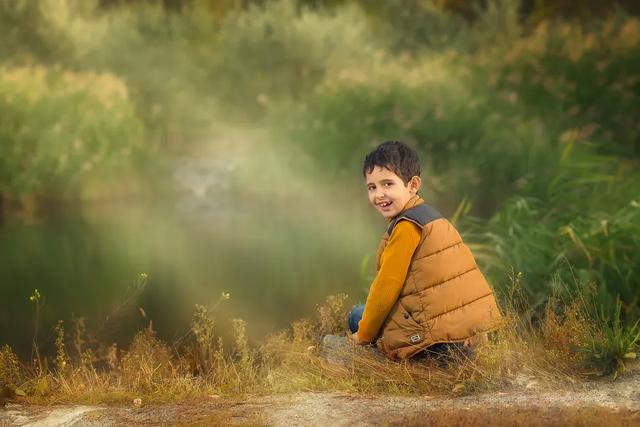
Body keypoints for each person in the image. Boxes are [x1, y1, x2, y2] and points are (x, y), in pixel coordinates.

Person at [348, 141, 502, 360]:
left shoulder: (406, 227)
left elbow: (386, 287)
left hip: (429, 337)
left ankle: (439, 355)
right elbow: (465, 281)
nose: (379, 194)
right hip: (461, 332)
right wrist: (477, 331)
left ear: (413, 185)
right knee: (367, 314)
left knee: (356, 316)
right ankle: (459, 349)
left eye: (388, 184)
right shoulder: (434, 219)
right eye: (372, 187)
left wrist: (363, 336)